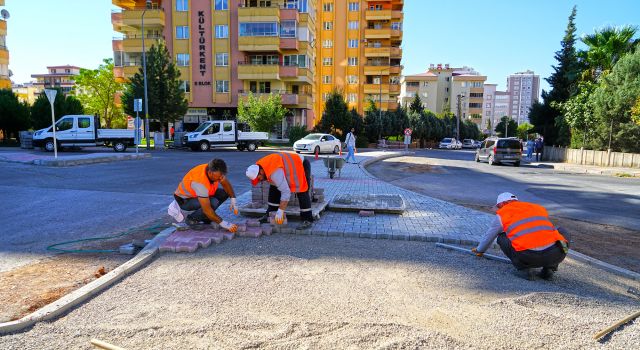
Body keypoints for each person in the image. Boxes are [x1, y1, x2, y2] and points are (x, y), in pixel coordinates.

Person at [472, 192, 570, 280]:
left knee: (502, 237)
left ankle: (523, 269)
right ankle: (549, 269)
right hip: (555, 255)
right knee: (562, 231)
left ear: (501, 204)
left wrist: (480, 250)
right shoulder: (537, 208)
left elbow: (490, 235)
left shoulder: (503, 213)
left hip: (529, 258)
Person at [168, 158, 238, 233]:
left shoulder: (214, 170)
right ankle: (192, 219)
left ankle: (205, 217)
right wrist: (224, 224)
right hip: (184, 200)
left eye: (222, 176)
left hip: (200, 194)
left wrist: (233, 199)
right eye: (219, 177)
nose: (221, 179)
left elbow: (225, 183)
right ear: (210, 173)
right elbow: (207, 209)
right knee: (212, 203)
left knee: (224, 193)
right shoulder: (200, 183)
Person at [245, 152, 313, 230]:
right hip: (287, 167)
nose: (260, 180)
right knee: (274, 188)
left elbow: (286, 192)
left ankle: (307, 219)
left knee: (302, 190)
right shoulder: (260, 166)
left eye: (259, 178)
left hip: (300, 164)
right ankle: (270, 214)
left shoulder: (274, 172)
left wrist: (280, 211)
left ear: (261, 171)